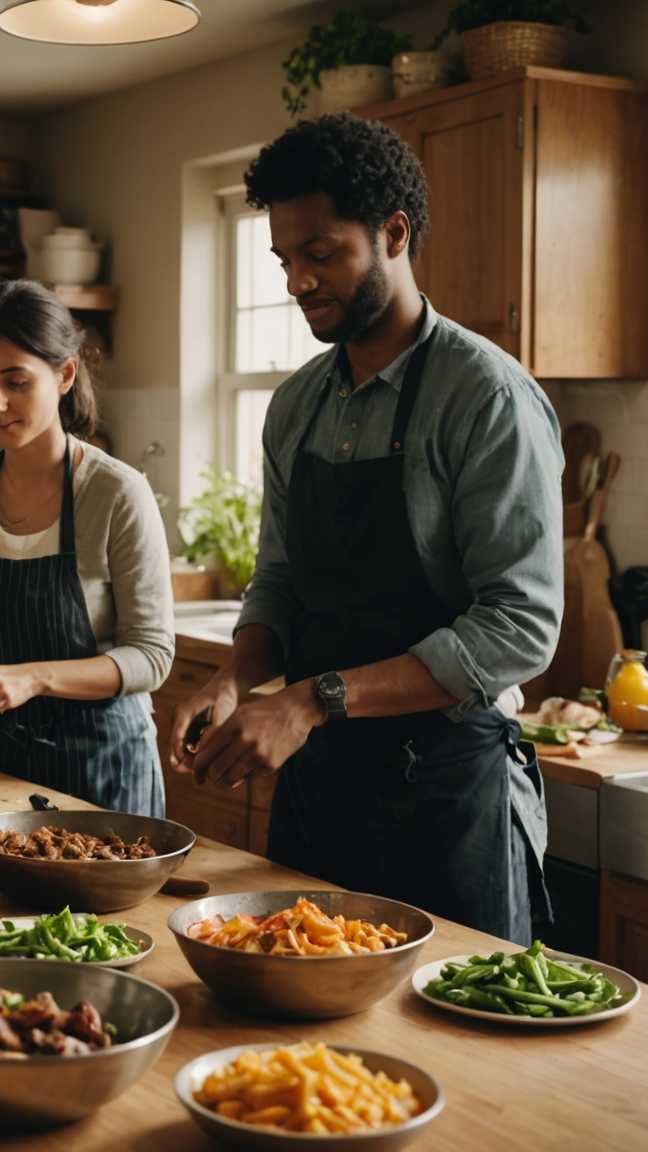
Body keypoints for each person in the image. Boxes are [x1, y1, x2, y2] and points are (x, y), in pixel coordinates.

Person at [169, 115, 564, 944]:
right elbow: (280, 580)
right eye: (284, 258)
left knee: (460, 1056)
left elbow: (520, 627)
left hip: (448, 800)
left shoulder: (486, 398)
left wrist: (314, 699)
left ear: (393, 233)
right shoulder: (297, 405)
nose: (297, 281)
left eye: (320, 253)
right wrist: (237, 676)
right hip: (320, 794)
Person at [0, 281, 174, 815]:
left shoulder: (117, 492)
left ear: (65, 374)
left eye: (15, 382)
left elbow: (151, 656)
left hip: (101, 770)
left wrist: (33, 676)